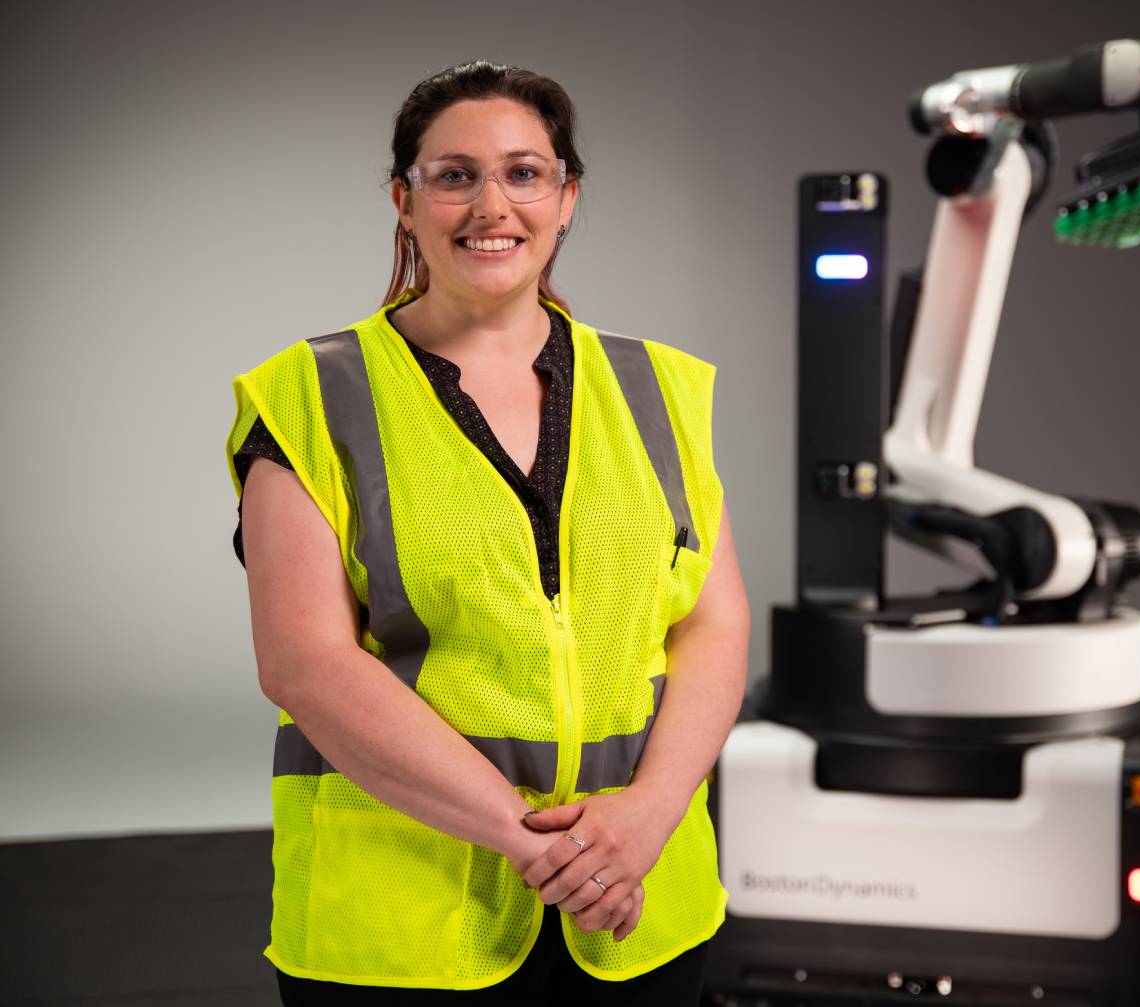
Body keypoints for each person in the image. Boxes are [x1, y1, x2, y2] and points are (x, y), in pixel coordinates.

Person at [226, 60, 749, 1004]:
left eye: (524, 172)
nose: (490, 204)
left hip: (643, 898)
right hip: (404, 923)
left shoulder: (660, 388)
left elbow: (712, 623)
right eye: (454, 174)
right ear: (404, 198)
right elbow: (305, 663)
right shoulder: (308, 396)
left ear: (567, 196)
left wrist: (650, 815)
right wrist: (533, 843)